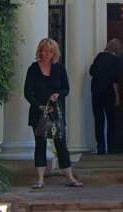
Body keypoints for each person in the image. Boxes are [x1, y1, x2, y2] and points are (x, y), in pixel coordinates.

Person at [25, 38, 81, 189]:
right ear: (40, 51)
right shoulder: (33, 69)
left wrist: (58, 95)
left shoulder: (59, 69)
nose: (46, 54)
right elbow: (27, 92)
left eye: (50, 51)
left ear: (54, 53)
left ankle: (69, 177)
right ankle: (40, 179)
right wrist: (40, 106)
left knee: (61, 143)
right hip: (38, 112)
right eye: (44, 50)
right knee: (40, 144)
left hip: (56, 112)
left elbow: (66, 89)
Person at [88, 39, 123, 154]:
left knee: (98, 120)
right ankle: (112, 147)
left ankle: (100, 146)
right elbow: (116, 80)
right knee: (112, 120)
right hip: (109, 92)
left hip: (96, 91)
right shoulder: (118, 61)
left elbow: (92, 71)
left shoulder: (99, 56)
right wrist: (117, 96)